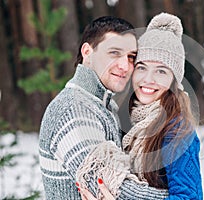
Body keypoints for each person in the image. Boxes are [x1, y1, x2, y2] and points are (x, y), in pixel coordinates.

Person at [39, 16, 169, 199]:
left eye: (131, 57)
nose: (125, 66)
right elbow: (115, 188)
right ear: (87, 51)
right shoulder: (72, 109)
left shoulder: (103, 106)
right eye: (114, 53)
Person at [77, 13, 203, 200]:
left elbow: (189, 197)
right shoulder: (121, 117)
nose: (148, 79)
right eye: (142, 67)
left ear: (173, 81)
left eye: (161, 71)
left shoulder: (177, 131)